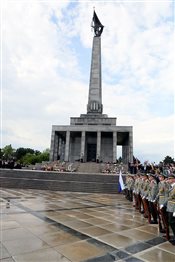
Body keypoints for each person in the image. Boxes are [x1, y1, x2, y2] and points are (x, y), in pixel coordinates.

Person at [166, 173, 175, 245]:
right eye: (168, 179)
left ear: (173, 179)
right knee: (171, 222)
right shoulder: (171, 186)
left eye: (169, 179)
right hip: (170, 206)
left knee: (172, 222)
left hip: (173, 208)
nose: (168, 180)